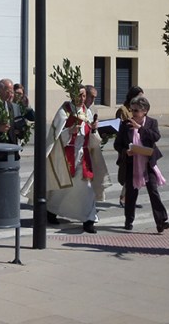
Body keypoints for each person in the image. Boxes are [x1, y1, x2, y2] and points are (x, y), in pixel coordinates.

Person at [24, 85, 98, 233]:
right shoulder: (65, 111)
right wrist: (70, 131)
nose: (82, 99)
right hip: (65, 154)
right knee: (61, 188)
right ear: (72, 95)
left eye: (84, 96)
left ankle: (89, 219)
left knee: (88, 189)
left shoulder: (87, 112)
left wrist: (94, 128)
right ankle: (51, 210)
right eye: (79, 95)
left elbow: (91, 133)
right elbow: (55, 135)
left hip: (83, 155)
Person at [114, 95, 169, 233]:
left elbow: (156, 137)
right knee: (131, 194)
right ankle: (128, 220)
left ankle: (161, 221)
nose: (133, 113)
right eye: (131, 110)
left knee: (153, 192)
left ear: (145, 111)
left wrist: (140, 128)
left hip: (148, 163)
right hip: (131, 163)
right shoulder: (125, 124)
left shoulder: (151, 122)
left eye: (136, 110)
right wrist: (125, 151)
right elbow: (117, 144)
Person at [115, 86, 144, 207]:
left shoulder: (141, 109)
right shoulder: (123, 110)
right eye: (139, 97)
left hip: (138, 145)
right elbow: (119, 127)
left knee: (137, 174)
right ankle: (124, 199)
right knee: (128, 174)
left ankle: (130, 200)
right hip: (127, 147)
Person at [84, 85, 111, 202]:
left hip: (92, 147)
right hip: (82, 147)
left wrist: (100, 131)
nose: (93, 100)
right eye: (91, 97)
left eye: (95, 97)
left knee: (95, 175)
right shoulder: (77, 109)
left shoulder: (93, 109)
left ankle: (90, 200)